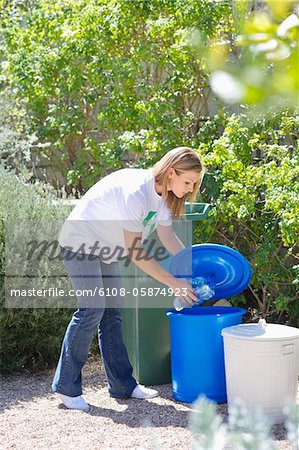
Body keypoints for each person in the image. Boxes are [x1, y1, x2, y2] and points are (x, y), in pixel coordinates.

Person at [52, 146, 205, 411]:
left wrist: (196, 266)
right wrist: (173, 282)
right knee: (92, 309)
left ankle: (123, 385)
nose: (190, 190)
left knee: (113, 313)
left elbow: (167, 236)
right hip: (80, 242)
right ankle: (66, 386)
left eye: (194, 184)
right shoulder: (137, 192)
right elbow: (136, 252)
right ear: (171, 173)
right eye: (188, 182)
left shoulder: (164, 196)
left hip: (105, 248)